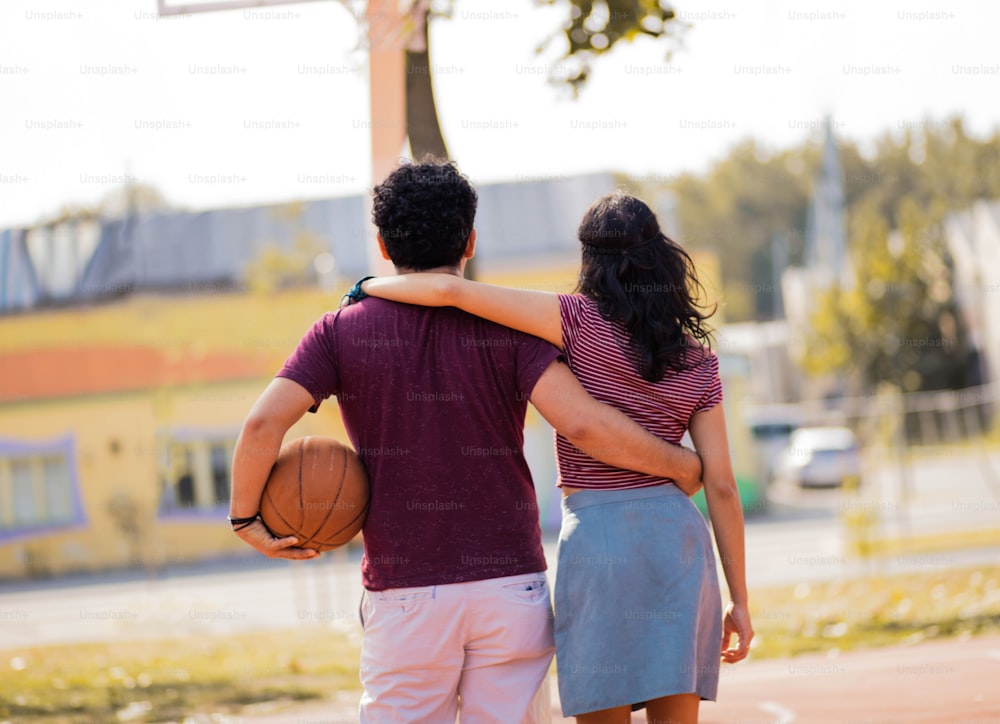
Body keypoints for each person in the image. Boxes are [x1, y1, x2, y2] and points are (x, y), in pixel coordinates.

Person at [229, 160, 705, 723]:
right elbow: (582, 424)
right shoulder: (509, 327)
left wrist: (245, 520)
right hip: (510, 585)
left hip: (404, 591)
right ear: (471, 240)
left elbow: (262, 425)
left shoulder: (339, 330)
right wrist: (678, 463)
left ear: (382, 246)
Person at [360, 191, 754, 723]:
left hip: (598, 542)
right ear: (660, 255)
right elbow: (722, 488)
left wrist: (367, 287)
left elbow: (447, 290)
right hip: (678, 542)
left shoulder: (573, 321)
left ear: (589, 259)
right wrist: (741, 600)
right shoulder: (698, 362)